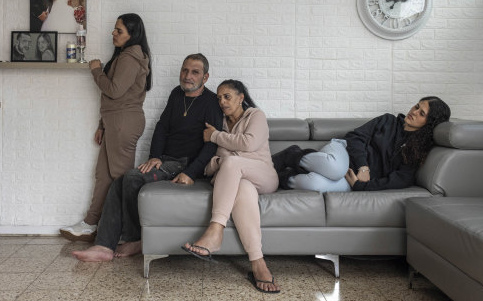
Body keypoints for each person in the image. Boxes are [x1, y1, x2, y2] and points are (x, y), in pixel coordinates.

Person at [71, 53, 223, 261]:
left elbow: (211, 145)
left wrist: (189, 172)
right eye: (184, 70)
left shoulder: (212, 102)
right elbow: (161, 128)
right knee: (120, 181)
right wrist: (155, 156)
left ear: (205, 77)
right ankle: (104, 246)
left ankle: (135, 240)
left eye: (195, 72)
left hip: (184, 164)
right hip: (167, 161)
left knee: (133, 178)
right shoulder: (176, 94)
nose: (188, 76)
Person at [180, 80, 281, 294]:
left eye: (227, 96)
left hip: (263, 175)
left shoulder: (256, 116)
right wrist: (223, 159)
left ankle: (216, 229)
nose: (222, 101)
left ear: (241, 98)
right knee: (242, 187)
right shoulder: (220, 122)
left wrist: (217, 138)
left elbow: (249, 143)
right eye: (219, 98)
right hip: (239, 181)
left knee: (232, 162)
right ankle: (258, 263)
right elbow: (208, 166)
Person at [60, 13, 152, 241]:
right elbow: (115, 97)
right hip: (114, 121)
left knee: (121, 178)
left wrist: (95, 70)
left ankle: (129, 234)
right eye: (114, 29)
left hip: (124, 122)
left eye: (119, 30)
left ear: (132, 35)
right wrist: (102, 125)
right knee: (103, 175)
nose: (113, 33)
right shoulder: (125, 55)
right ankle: (90, 224)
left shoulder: (132, 56)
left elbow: (113, 90)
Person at [274, 96, 451, 192]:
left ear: (429, 123)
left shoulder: (416, 150)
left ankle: (282, 178)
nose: (414, 112)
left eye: (422, 113)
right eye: (416, 106)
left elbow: (400, 179)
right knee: (335, 168)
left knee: (315, 185)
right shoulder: (388, 121)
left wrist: (361, 185)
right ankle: (292, 154)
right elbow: (355, 138)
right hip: (342, 152)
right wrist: (363, 167)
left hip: (354, 178)